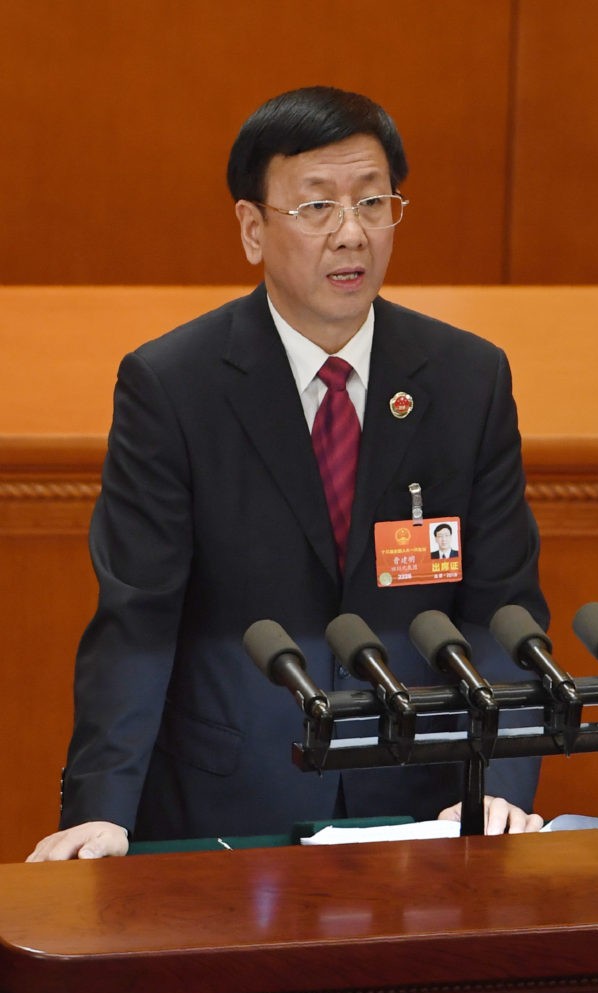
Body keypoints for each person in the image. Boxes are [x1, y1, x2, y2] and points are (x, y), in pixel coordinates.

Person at [28, 86, 547, 862]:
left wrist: (498, 783)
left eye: (373, 202)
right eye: (316, 207)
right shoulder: (175, 386)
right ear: (251, 227)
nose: (351, 233)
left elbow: (502, 610)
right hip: (228, 803)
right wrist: (103, 810)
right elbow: (137, 620)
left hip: (425, 805)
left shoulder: (467, 379)